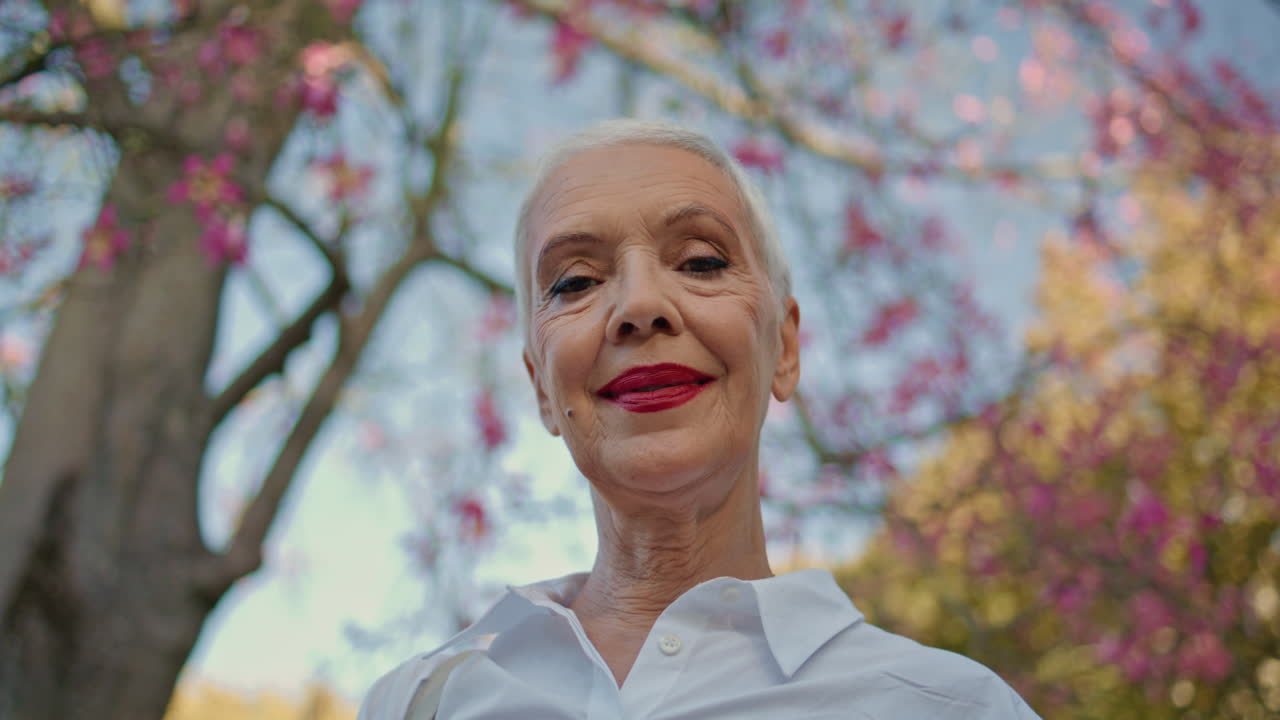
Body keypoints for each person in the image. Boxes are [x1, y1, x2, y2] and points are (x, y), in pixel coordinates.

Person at [359, 119, 1041, 719]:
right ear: (541, 387)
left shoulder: (951, 708)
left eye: (701, 261)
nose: (639, 306)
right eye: (576, 281)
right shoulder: (421, 704)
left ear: (784, 349)